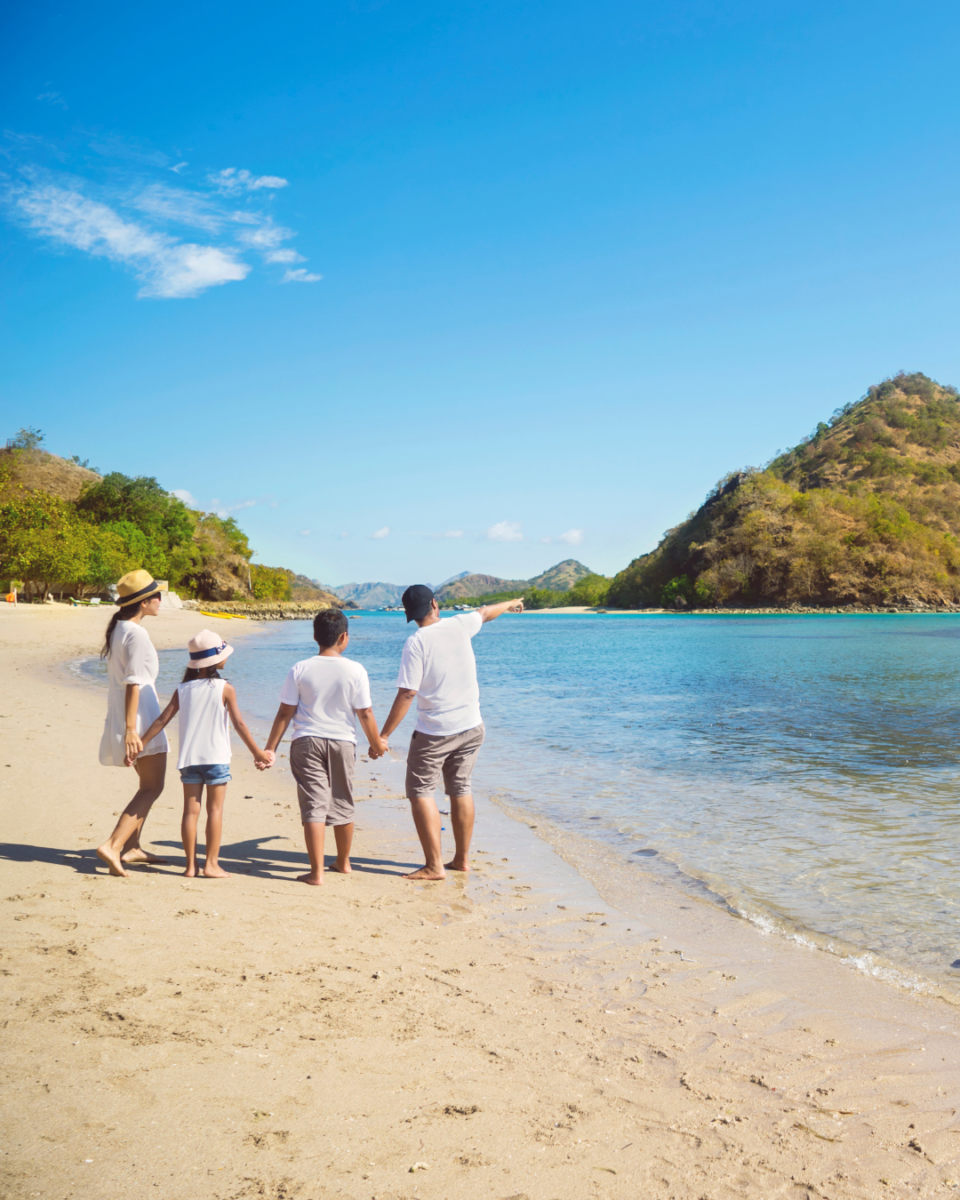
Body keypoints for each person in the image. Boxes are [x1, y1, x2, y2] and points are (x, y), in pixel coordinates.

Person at [379, 585, 524, 881]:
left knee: (420, 791)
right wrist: (510, 602)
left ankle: (434, 866)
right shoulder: (460, 624)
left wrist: (383, 735)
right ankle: (461, 860)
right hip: (471, 726)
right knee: (460, 788)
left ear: (411, 615)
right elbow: (485, 613)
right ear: (435, 603)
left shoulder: (416, 642)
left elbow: (408, 693)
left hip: (435, 732)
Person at [262, 608, 387, 886]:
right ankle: (343, 862)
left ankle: (316, 872)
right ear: (344, 637)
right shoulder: (356, 669)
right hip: (342, 742)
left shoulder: (300, 668)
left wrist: (270, 749)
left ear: (315, 637)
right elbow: (365, 713)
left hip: (306, 741)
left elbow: (285, 713)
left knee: (314, 805)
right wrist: (376, 743)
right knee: (343, 799)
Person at [133, 631, 273, 878]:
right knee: (215, 811)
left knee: (190, 812)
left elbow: (161, 720)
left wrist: (139, 744)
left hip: (189, 760)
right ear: (216, 661)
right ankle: (211, 865)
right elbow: (240, 725)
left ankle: (190, 867)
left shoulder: (183, 689)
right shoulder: (225, 688)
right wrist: (258, 752)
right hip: (216, 759)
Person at [95, 570, 170, 877]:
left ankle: (131, 847)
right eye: (156, 596)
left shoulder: (120, 628)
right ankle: (114, 844)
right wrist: (130, 730)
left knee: (146, 784)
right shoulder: (136, 633)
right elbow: (133, 682)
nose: (160, 600)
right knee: (153, 786)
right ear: (143, 603)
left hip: (127, 712)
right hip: (140, 715)